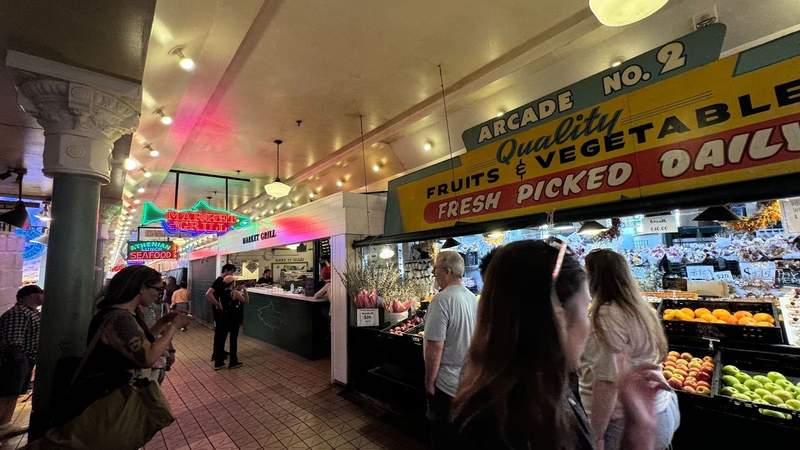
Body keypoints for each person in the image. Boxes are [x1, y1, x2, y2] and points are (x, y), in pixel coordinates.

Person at [452, 240, 668, 450]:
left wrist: (636, 437)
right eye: (585, 309)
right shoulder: (508, 424)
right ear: (557, 317)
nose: (588, 323)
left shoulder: (542, 391)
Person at [50, 266, 190, 434]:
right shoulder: (120, 318)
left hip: (112, 394)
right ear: (141, 287)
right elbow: (147, 357)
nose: (160, 294)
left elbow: (139, 344)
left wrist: (162, 323)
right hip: (108, 398)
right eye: (158, 289)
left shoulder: (124, 313)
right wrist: (174, 327)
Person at [579, 249, 679, 450]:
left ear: (593, 278)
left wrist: (596, 435)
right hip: (660, 408)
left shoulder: (605, 318)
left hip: (626, 421)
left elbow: (607, 382)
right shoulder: (642, 309)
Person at [423, 251, 477, 450]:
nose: (434, 273)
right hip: (467, 382)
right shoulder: (472, 298)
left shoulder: (441, 300)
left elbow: (435, 346)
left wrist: (429, 382)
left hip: (446, 385)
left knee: (443, 437)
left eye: (435, 269)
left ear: (447, 271)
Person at [0, 285, 43, 436]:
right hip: (15, 360)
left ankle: (5, 423)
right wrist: (20, 361)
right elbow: (13, 342)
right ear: (33, 295)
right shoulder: (19, 313)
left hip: (22, 359)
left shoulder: (30, 313)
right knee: (7, 391)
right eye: (41, 293)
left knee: (13, 392)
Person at [206, 263, 236, 367]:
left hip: (221, 312)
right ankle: (218, 359)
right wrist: (218, 304)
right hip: (220, 313)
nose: (232, 274)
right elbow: (208, 294)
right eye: (231, 271)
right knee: (220, 335)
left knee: (220, 334)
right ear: (226, 270)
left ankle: (219, 354)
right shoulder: (219, 281)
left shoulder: (223, 282)